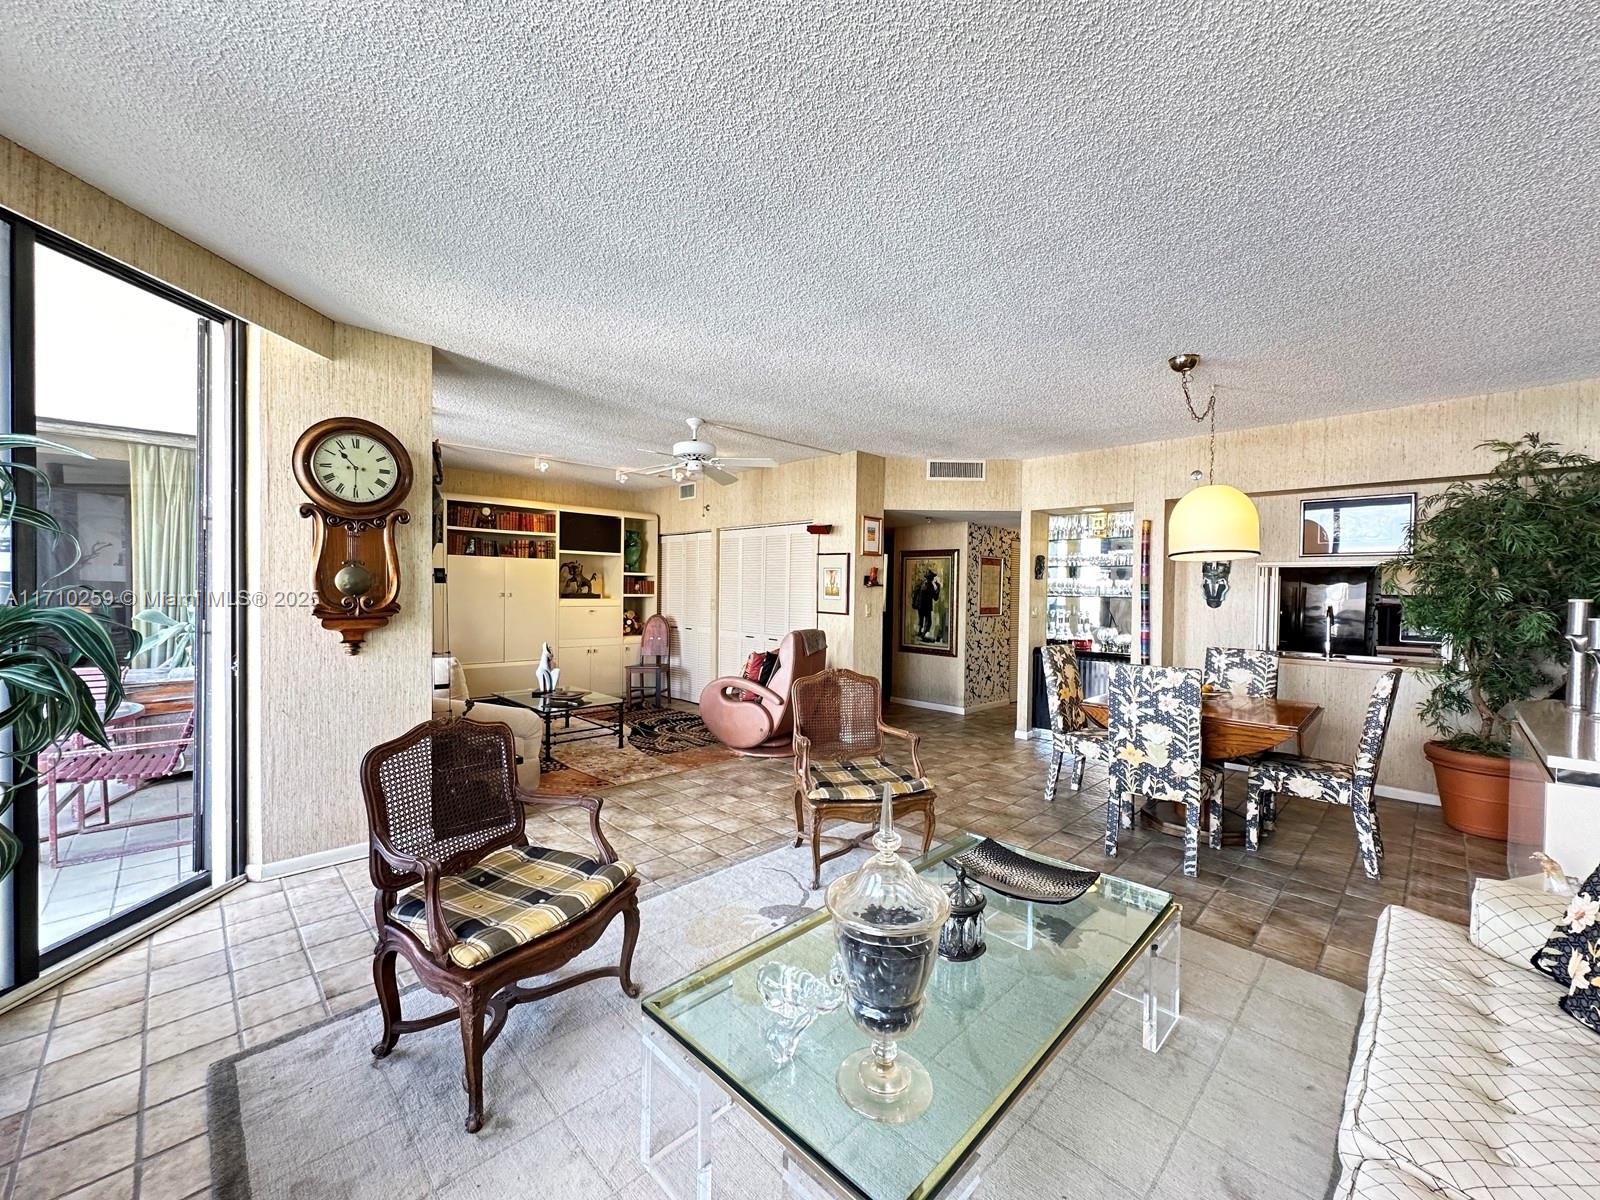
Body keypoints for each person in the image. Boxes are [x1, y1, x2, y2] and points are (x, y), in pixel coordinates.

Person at [911, 565, 940, 640]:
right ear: (929, 578)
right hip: (925, 606)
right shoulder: (929, 586)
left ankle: (921, 634)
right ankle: (922, 635)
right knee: (927, 621)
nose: (933, 578)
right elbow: (935, 597)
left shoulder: (923, 584)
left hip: (921, 606)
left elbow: (915, 593)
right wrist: (938, 588)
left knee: (922, 620)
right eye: (932, 577)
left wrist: (914, 603)